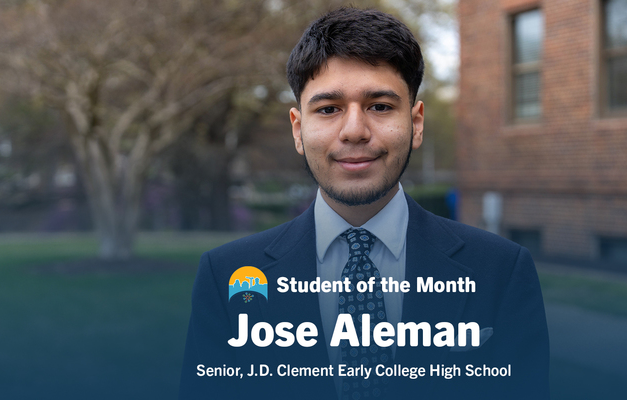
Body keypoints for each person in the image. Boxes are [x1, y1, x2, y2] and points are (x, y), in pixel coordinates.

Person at [179, 7, 549, 400]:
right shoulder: (227, 277)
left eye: (380, 106)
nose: (354, 131)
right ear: (298, 130)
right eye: (328, 109)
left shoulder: (500, 272)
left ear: (416, 123)